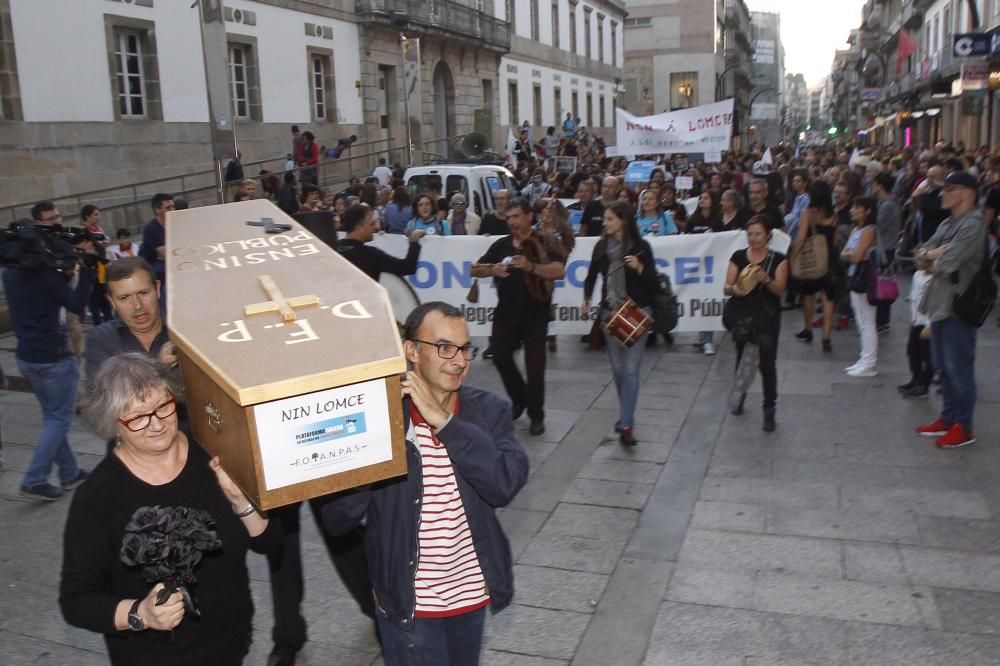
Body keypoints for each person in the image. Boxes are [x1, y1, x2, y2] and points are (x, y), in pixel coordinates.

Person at [321, 302, 528, 666]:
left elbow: (503, 483)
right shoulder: (381, 419)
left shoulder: (488, 411)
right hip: (410, 603)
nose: (459, 360)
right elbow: (338, 519)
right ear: (411, 351)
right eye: (445, 348)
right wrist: (370, 451)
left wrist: (446, 424)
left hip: (471, 596)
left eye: (465, 349)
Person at [60, 353, 280, 665]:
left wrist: (241, 500)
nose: (156, 424)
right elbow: (75, 602)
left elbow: (272, 544)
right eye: (137, 418)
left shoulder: (216, 454)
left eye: (163, 407)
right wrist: (141, 613)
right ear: (113, 426)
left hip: (231, 643)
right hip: (151, 657)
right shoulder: (97, 497)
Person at [3, 203, 96, 501]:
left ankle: (69, 473)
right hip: (53, 357)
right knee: (58, 419)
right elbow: (74, 303)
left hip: (27, 356)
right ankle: (35, 478)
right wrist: (88, 272)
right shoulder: (45, 273)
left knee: (52, 417)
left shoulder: (10, 273)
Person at [472, 198, 566, 435]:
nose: (512, 221)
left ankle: (536, 416)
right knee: (500, 357)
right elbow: (474, 268)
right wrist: (492, 269)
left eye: (516, 216)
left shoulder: (545, 241)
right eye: (509, 217)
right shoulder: (501, 244)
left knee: (535, 368)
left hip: (536, 313)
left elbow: (559, 271)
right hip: (506, 313)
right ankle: (520, 398)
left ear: (528, 217)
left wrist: (531, 267)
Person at [913, 170, 988, 448]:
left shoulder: (973, 224)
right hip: (939, 303)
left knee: (959, 369)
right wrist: (934, 253)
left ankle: (964, 426)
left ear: (966, 193)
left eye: (948, 188)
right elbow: (919, 253)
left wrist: (935, 255)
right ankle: (948, 416)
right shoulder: (948, 223)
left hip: (959, 305)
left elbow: (949, 263)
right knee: (943, 368)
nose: (941, 193)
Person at [582, 202, 660, 446]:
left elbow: (654, 284)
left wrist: (640, 268)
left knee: (631, 369)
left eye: (609, 219)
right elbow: (592, 275)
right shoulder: (601, 246)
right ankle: (626, 413)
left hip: (636, 312)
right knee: (618, 369)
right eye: (605, 219)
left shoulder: (641, 247)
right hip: (611, 312)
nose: (604, 223)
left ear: (623, 221)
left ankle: (627, 424)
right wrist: (586, 298)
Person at [723, 216, 789, 432]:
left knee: (767, 363)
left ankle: (769, 409)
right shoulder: (739, 257)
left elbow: (780, 290)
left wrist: (766, 279)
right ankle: (740, 394)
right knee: (742, 357)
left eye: (758, 233)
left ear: (768, 235)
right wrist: (736, 289)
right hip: (743, 314)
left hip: (767, 317)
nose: (753, 238)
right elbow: (727, 286)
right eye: (750, 234)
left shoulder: (778, 260)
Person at [791, 180, 839, 352]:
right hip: (830, 261)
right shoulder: (834, 216)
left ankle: (808, 329)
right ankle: (826, 337)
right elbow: (835, 242)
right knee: (828, 299)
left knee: (808, 295)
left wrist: (793, 258)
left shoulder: (808, 213)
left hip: (812, 261)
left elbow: (802, 238)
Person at [840, 197, 879, 378]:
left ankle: (869, 362)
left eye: (857, 207)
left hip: (865, 278)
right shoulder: (857, 229)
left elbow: (856, 256)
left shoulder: (869, 230)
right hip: (855, 276)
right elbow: (846, 253)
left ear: (867, 211)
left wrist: (851, 254)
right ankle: (864, 358)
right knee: (861, 319)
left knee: (867, 321)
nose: (852, 210)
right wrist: (851, 254)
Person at [339, 203, 423, 281]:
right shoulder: (370, 255)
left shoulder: (332, 250)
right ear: (358, 227)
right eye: (371, 224)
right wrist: (414, 241)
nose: (376, 227)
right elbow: (407, 267)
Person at [686, 191, 722, 355]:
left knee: (709, 300)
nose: (702, 200)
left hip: (711, 267)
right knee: (698, 300)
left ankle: (708, 339)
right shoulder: (692, 220)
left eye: (706, 198)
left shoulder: (718, 220)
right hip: (694, 267)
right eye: (700, 197)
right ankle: (701, 334)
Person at [897, 268, 933, 399]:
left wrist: (930, 325)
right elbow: (913, 298)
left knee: (927, 356)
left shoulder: (935, 278)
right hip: (917, 320)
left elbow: (935, 304)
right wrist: (912, 320)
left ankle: (923, 385)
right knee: (913, 352)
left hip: (927, 322)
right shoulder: (917, 275)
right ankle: (915, 379)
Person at [873, 172, 901, 333]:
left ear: (880, 186)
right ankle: (881, 319)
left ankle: (882, 320)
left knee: (882, 284)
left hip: (885, 248)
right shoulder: (886, 202)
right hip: (885, 247)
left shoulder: (888, 205)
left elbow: (878, 225)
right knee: (880, 282)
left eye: (874, 183)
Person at [81, 204, 112, 325]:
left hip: (101, 268)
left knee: (104, 296)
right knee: (94, 299)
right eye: (95, 214)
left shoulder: (98, 229)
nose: (98, 217)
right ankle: (98, 325)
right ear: (87, 216)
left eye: (98, 214)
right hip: (91, 268)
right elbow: (87, 248)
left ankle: (109, 322)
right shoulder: (83, 230)